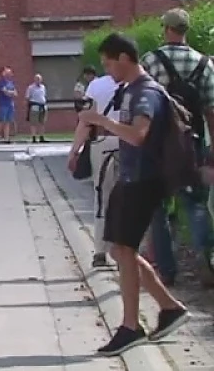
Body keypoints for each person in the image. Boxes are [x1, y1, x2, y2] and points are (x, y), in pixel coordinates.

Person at [79, 32, 188, 357]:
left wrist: (101, 121)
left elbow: (139, 135)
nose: (107, 69)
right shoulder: (131, 90)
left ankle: (130, 326)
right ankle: (169, 308)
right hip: (131, 178)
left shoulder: (145, 93)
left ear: (123, 58)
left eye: (108, 62)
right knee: (118, 250)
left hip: (143, 180)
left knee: (124, 250)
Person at [142, 8, 214, 287]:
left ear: (165, 29)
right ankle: (205, 259)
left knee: (157, 208)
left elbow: (143, 105)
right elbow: (210, 110)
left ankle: (167, 271)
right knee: (195, 203)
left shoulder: (151, 61)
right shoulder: (204, 64)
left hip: (159, 145)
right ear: (187, 31)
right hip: (193, 143)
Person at [69, 67, 121, 268]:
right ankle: (127, 251)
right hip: (131, 144)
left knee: (102, 196)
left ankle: (100, 250)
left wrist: (75, 151)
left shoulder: (96, 86)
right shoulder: (138, 83)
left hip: (103, 142)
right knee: (131, 197)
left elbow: (85, 122)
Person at [0, 66, 17, 143]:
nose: (9, 73)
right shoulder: (1, 82)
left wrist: (11, 93)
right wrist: (11, 93)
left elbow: (16, 93)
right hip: (3, 104)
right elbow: (5, 92)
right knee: (1, 120)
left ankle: (6, 138)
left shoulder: (11, 82)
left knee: (8, 121)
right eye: (7, 72)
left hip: (10, 104)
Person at [25, 74, 48, 143]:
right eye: (37, 79)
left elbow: (44, 96)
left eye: (39, 79)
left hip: (43, 106)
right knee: (33, 123)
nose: (38, 80)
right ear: (34, 79)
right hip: (35, 107)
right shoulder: (31, 87)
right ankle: (34, 137)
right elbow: (27, 97)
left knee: (42, 122)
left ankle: (41, 137)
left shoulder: (43, 87)